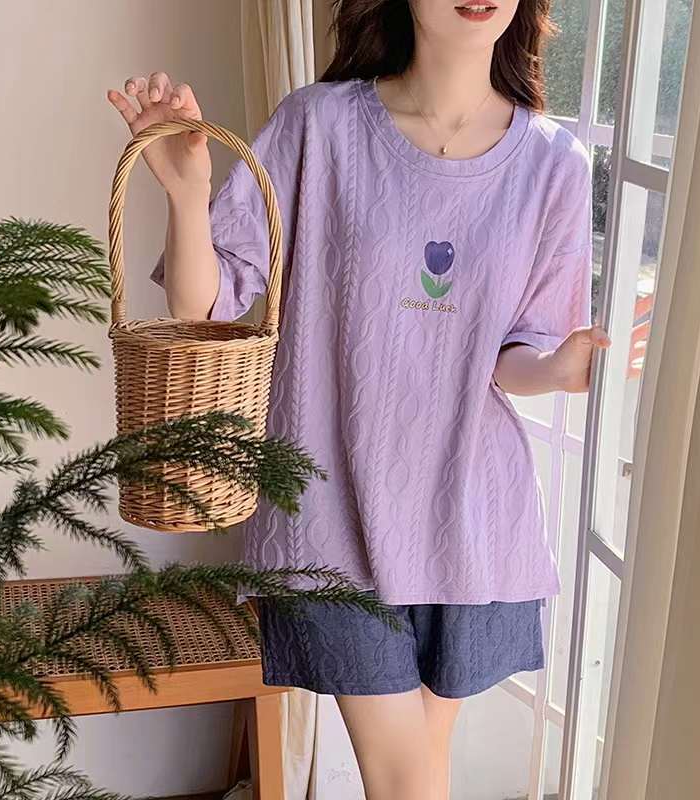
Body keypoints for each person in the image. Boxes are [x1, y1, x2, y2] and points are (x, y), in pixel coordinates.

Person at [107, 1, 611, 797]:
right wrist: (188, 189)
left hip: (471, 518)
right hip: (329, 510)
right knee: (407, 776)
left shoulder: (555, 165)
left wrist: (559, 368)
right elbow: (205, 304)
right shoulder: (319, 126)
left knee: (419, 770)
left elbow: (516, 353)